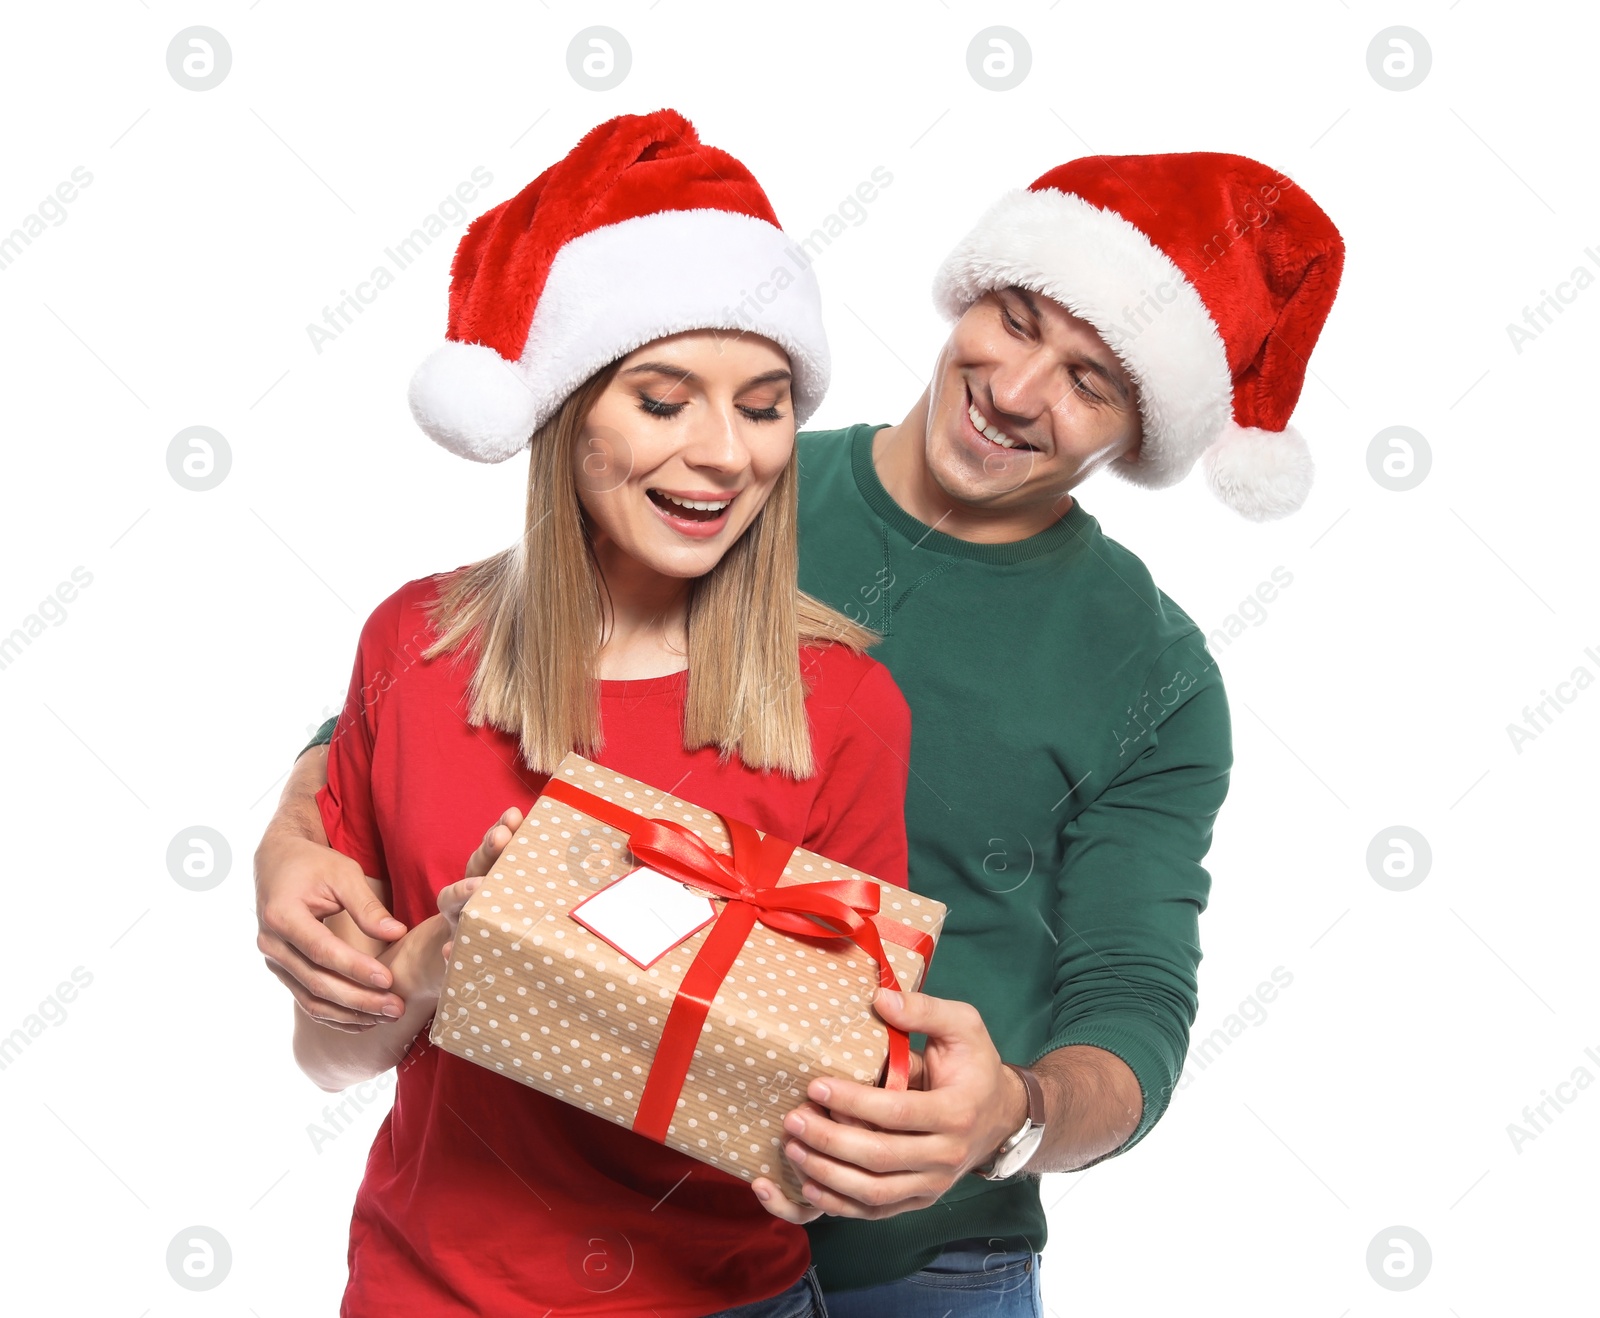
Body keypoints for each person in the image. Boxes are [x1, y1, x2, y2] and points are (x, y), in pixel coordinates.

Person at [260, 148, 1344, 1315]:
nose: (1019, 390)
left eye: (1090, 381)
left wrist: (1008, 1119)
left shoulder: (1152, 674)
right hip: (536, 1233)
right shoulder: (718, 495)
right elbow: (434, 700)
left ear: (1142, 430)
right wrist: (289, 835)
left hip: (924, 1251)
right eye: (1015, 319)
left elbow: (1133, 995)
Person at [286, 108, 914, 1318]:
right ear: (568, 411)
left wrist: (835, 1155)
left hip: (727, 1300)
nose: (724, 454)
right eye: (664, 400)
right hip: (430, 1290)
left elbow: (840, 1120)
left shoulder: (843, 703)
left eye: (765, 403)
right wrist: (426, 966)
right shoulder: (413, 648)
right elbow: (329, 1057)